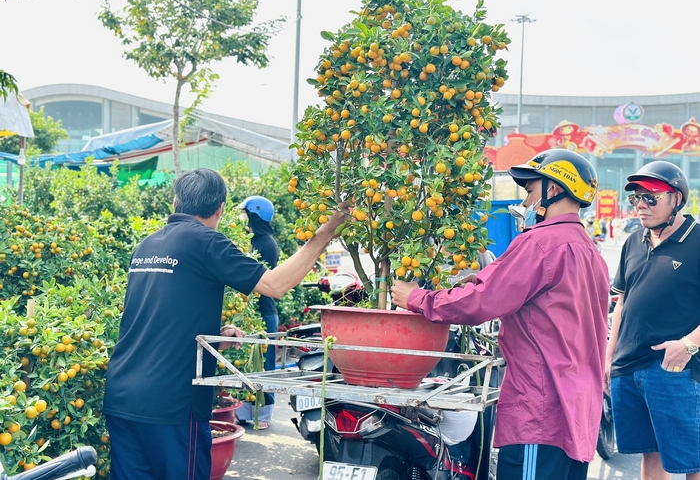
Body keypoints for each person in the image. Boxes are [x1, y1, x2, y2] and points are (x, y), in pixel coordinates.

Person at [102, 168, 346, 480]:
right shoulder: (206, 242)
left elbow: (154, 316)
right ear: (219, 209)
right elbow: (274, 285)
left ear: (175, 202)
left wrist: (214, 337)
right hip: (172, 404)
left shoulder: (147, 246)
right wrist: (323, 235)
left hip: (122, 394)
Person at [391, 149, 609, 480]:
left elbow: (481, 302)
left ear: (552, 190)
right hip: (577, 410)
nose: (525, 202)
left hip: (542, 409)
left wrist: (418, 298)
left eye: (530, 190)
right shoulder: (589, 251)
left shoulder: (540, 243)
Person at [606, 161, 700, 480]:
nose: (641, 205)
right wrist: (609, 358)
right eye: (636, 197)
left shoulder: (698, 240)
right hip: (628, 367)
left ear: (676, 198)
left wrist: (687, 346)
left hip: (674, 369)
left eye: (651, 197)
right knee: (650, 453)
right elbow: (622, 302)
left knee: (692, 461)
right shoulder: (634, 240)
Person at [235, 195, 279, 429]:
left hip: (264, 312)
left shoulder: (267, 244)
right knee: (245, 363)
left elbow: (258, 279)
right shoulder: (250, 241)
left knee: (265, 365)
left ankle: (263, 415)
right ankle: (244, 413)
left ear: (255, 216)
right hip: (249, 312)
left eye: (246, 214)